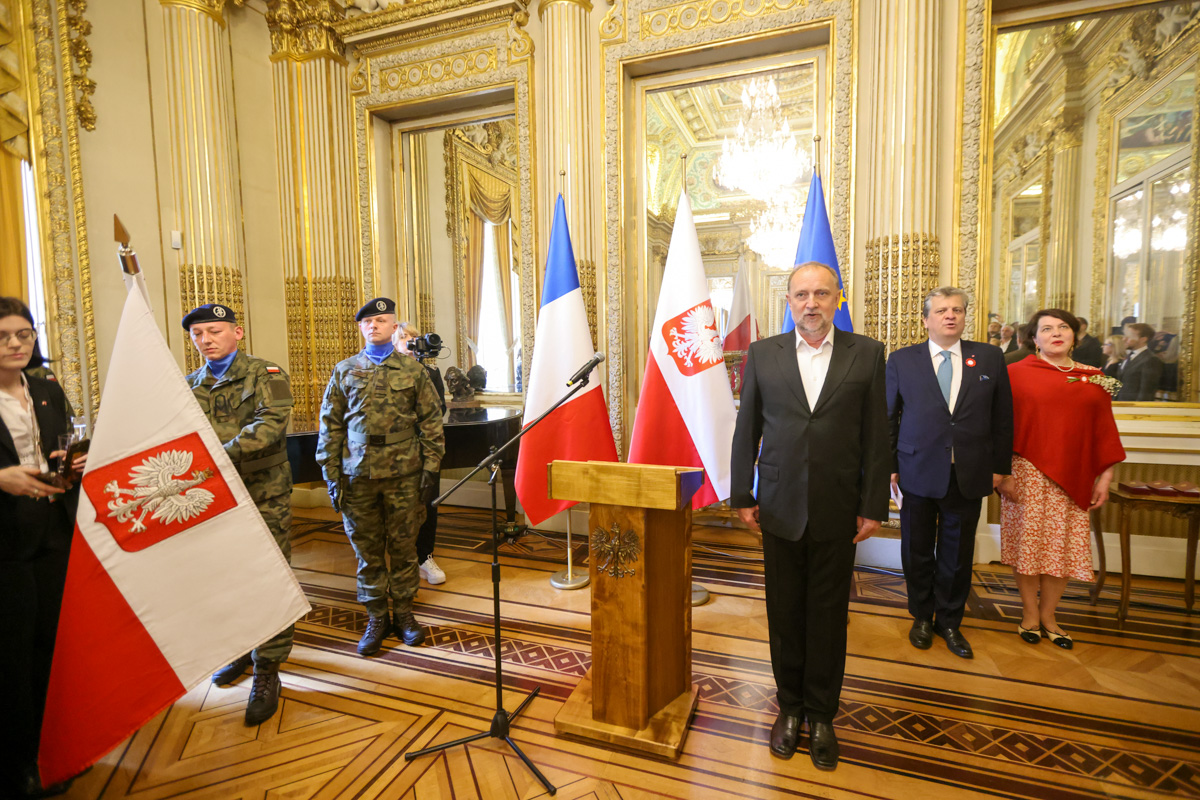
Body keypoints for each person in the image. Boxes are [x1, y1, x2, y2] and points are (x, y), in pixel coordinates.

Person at [730, 262, 890, 770]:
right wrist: (741, 494)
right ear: (789, 301)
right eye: (801, 295)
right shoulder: (763, 354)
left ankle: (821, 715)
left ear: (837, 298)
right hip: (778, 507)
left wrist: (873, 505)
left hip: (838, 508)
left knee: (827, 616)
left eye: (821, 293)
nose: (811, 303)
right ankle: (790, 708)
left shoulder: (867, 353)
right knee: (784, 614)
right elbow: (747, 428)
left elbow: (877, 437)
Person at [182, 303, 295, 726]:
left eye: (214, 331)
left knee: (270, 578)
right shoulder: (188, 384)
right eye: (198, 334)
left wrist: (212, 459)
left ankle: (268, 668)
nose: (206, 340)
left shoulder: (267, 374)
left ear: (237, 332)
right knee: (226, 579)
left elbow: (269, 426)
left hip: (263, 492)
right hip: (214, 497)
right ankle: (239, 649)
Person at [886, 287, 1013, 660]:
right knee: (917, 550)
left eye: (957, 310)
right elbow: (888, 417)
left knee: (957, 554)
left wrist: (999, 468)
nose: (950, 316)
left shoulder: (988, 357)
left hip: (969, 472)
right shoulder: (902, 360)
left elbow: (1002, 417)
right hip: (916, 470)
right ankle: (922, 617)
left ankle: (950, 622)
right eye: (941, 310)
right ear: (926, 319)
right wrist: (889, 466)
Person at [317, 298, 445, 656]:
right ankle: (376, 617)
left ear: (393, 327)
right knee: (367, 550)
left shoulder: (414, 371)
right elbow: (329, 424)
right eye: (367, 321)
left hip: (404, 473)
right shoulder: (344, 370)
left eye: (381, 320)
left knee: (404, 547)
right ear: (361, 327)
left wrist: (430, 468)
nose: (373, 326)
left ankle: (404, 613)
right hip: (357, 474)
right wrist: (330, 472)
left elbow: (432, 422)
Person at [0, 297, 86, 798]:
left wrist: (71, 462)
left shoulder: (46, 387)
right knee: (11, 657)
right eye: (4, 336)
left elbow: (64, 442)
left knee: (50, 647)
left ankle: (52, 747)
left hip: (54, 530)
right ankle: (19, 762)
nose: (16, 343)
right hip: (6, 541)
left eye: (24, 334)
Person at [998, 309, 1124, 649]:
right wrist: (1001, 475)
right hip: (1025, 474)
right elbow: (998, 427)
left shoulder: (1094, 377)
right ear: (1034, 338)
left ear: (1074, 336)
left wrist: (1105, 477)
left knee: (1062, 550)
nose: (1056, 333)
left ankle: (1050, 616)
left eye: (1063, 327)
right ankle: (1029, 615)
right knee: (1028, 549)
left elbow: (1104, 431)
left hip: (1075, 475)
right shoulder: (1013, 374)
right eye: (1047, 329)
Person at [393, 321, 447, 586]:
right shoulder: (383, 372)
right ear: (394, 343)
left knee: (428, 502)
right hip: (394, 451)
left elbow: (440, 409)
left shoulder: (431, 372)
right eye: (403, 336)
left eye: (413, 336)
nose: (409, 340)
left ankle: (425, 556)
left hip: (425, 448)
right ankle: (398, 559)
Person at [1114, 322, 1162, 401]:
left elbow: (1146, 391)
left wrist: (1138, 407)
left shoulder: (1150, 359)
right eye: (1125, 336)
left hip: (1134, 406)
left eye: (1129, 337)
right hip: (1121, 404)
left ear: (1143, 339)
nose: (1124, 339)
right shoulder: (1128, 356)